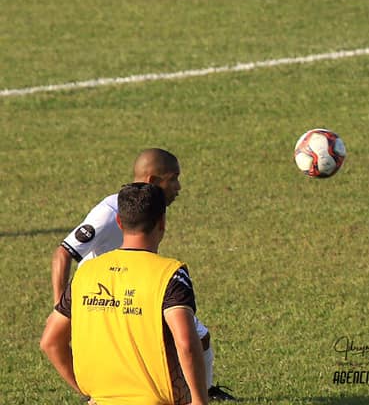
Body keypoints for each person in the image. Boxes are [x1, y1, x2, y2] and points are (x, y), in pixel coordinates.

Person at [51, 149, 235, 401]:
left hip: (132, 282)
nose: (178, 186)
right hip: (103, 288)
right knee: (170, 342)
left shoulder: (140, 214)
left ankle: (204, 388)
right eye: (173, 178)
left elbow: (49, 342)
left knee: (198, 336)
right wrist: (63, 307)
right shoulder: (109, 213)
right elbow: (63, 254)